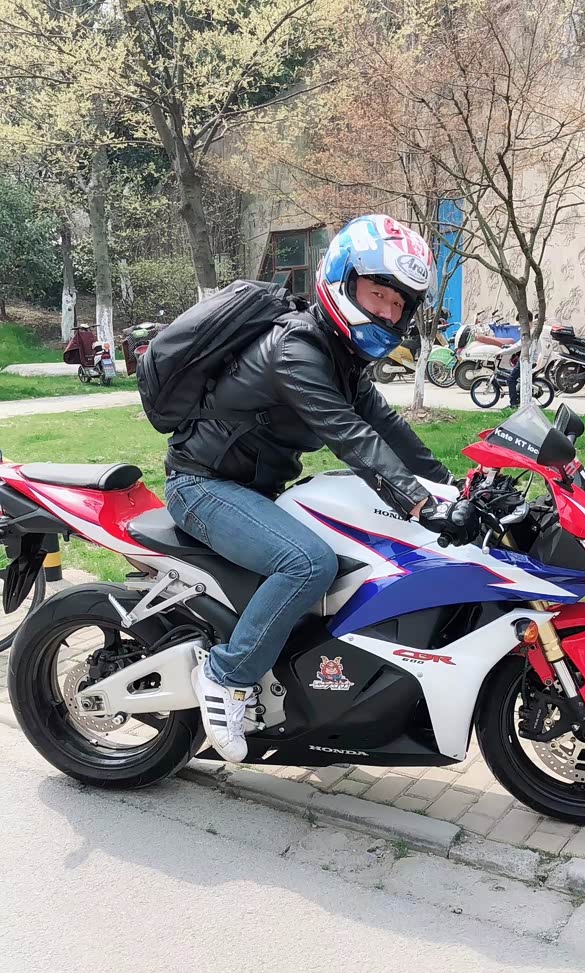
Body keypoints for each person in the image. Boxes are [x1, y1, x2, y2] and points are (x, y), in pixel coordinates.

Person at [165, 214, 475, 763]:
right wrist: (422, 503)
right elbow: (351, 437)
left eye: (398, 304)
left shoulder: (342, 361)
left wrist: (455, 488)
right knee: (309, 564)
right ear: (342, 281)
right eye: (378, 294)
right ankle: (226, 675)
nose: (387, 312)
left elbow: (389, 431)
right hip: (203, 486)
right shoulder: (296, 349)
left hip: (253, 490)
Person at [508, 310, 534, 407]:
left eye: (520, 323)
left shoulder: (528, 333)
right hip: (528, 359)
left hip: (526, 361)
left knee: (511, 379)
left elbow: (519, 346)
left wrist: (501, 352)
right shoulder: (533, 331)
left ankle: (513, 403)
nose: (520, 326)